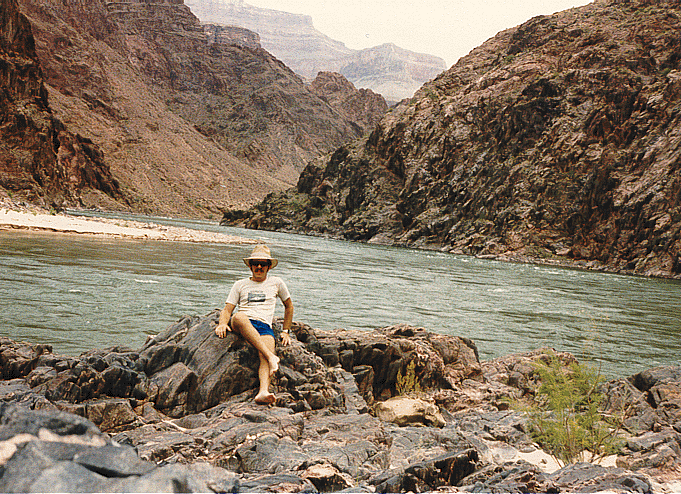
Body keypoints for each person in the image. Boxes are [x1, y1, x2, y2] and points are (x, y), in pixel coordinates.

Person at [215, 244, 293, 404]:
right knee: (238, 317)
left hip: (264, 326)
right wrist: (222, 323)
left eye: (263, 264)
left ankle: (263, 391)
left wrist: (285, 331)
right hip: (243, 322)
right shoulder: (240, 284)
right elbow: (228, 309)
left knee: (263, 356)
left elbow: (289, 306)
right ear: (250, 266)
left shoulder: (277, 283)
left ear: (269, 266)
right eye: (255, 263)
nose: (259, 267)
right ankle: (272, 357)